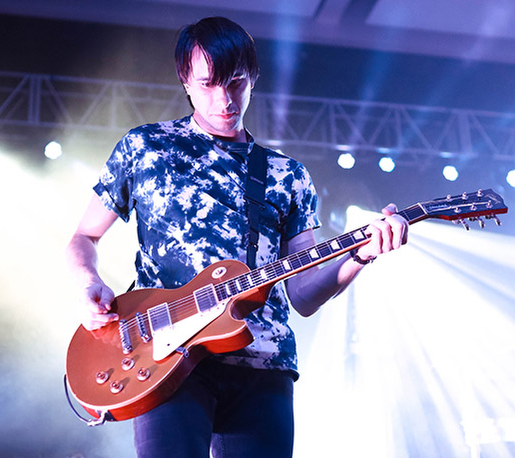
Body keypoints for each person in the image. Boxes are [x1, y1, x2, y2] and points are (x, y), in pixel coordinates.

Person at [65, 16, 408, 458]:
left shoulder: (288, 176)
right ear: (185, 80)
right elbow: (83, 237)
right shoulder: (146, 148)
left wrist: (361, 256)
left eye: (236, 83)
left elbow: (303, 294)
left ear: (254, 78)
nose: (224, 99)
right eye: (208, 84)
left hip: (262, 361)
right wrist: (87, 283)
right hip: (163, 356)